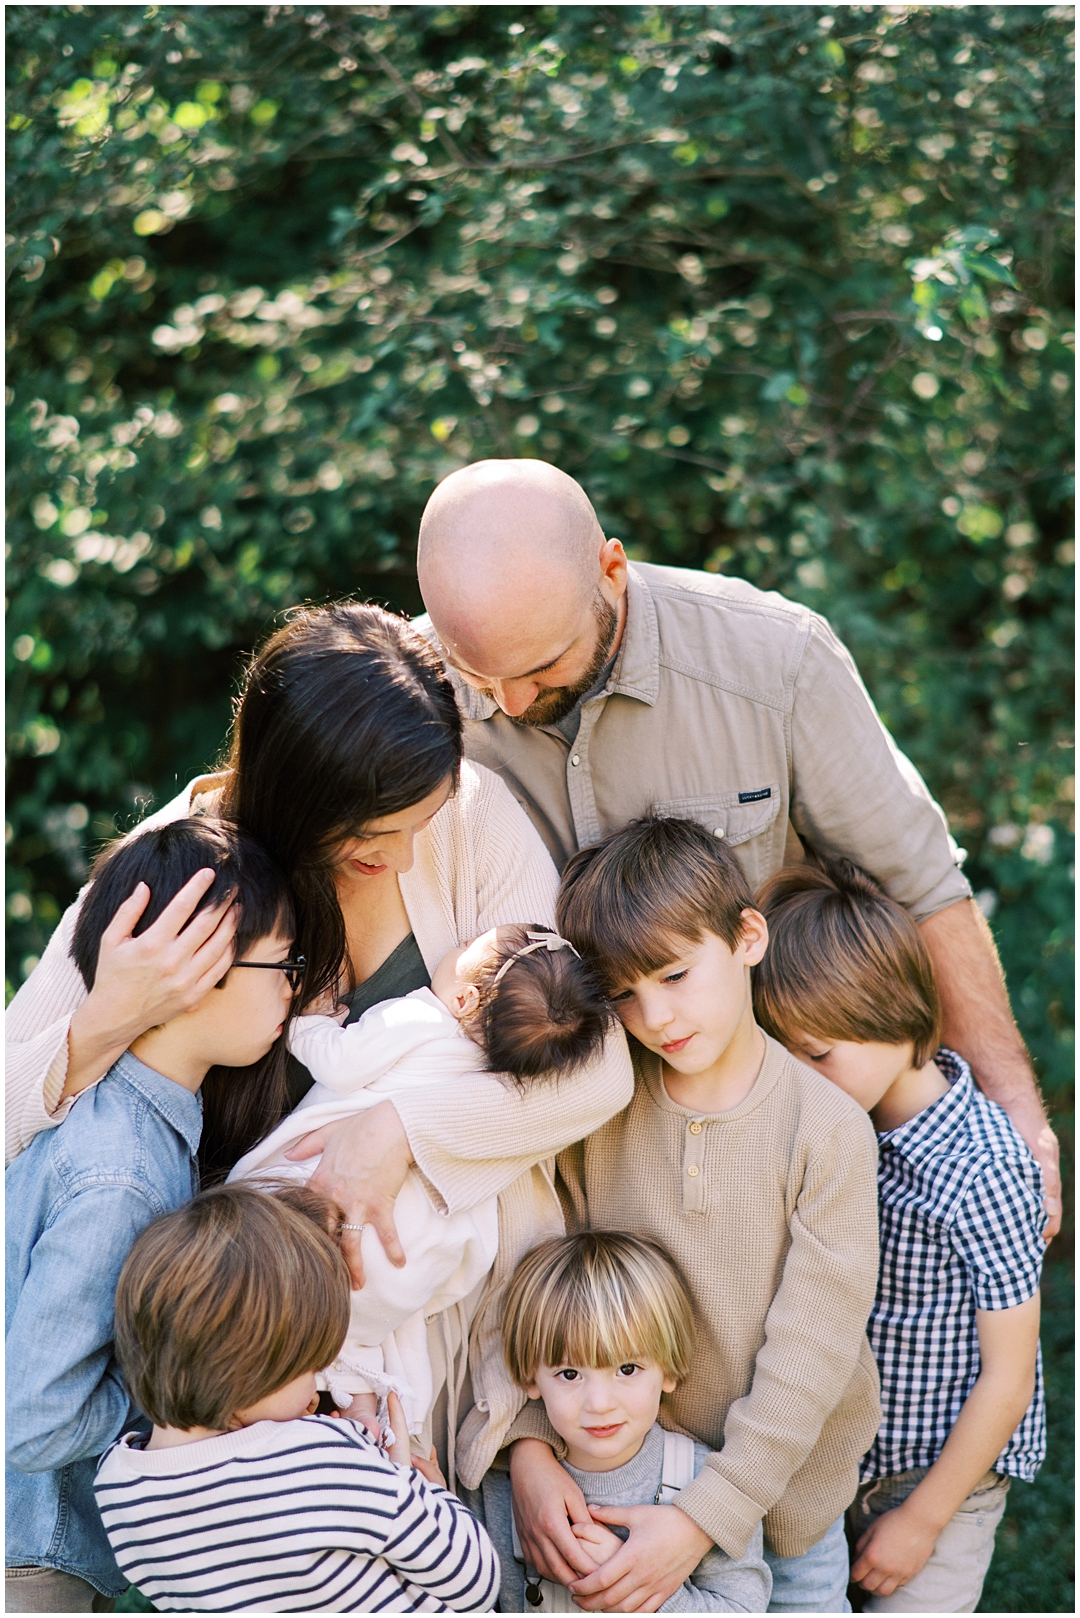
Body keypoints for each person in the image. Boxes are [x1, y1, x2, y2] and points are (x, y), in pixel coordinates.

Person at [5, 602, 635, 1487]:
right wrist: (112, 1015)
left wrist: (395, 1130)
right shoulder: (183, 869)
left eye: (424, 822)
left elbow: (596, 1067)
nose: (412, 859)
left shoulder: (465, 822)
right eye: (376, 837)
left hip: (460, 1350)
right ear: (300, 797)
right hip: (249, 1370)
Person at [413, 458, 1060, 1244]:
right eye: (480, 674)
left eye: (543, 665)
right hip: (533, 1168)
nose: (509, 703)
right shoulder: (407, 685)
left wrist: (1015, 1105)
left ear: (611, 571)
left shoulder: (775, 660)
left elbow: (920, 888)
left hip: (771, 1150)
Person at [505, 816, 882, 1614]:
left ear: (748, 936)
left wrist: (706, 1517)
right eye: (624, 995)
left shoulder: (829, 1129)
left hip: (787, 1503)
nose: (656, 1019)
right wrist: (528, 1445)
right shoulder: (600, 1106)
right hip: (626, 1471)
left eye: (674, 975)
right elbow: (537, 1287)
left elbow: (812, 1351)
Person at [6, 820, 297, 1614]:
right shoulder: (122, 1174)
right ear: (198, 968)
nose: (293, 988)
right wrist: (184, 1406)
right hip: (40, 1567)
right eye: (283, 964)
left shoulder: (135, 1125)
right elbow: (33, 1419)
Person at [753, 854, 1045, 1614]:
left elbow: (1009, 1378)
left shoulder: (981, 1166)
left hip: (941, 1478)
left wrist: (922, 1519)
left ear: (897, 1016)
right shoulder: (837, 1131)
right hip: (842, 1463)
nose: (800, 1077)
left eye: (817, 1054)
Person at [229, 924, 610, 1443]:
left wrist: (310, 1022)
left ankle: (341, 1385)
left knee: (259, 1218)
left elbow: (342, 1064)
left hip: (327, 1231)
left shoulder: (422, 1018)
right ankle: (378, 1416)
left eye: (466, 945)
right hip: (411, 1258)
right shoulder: (493, 1077)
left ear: (464, 997)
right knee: (371, 1328)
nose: (455, 939)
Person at [95, 1183, 500, 1614]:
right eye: (311, 1367)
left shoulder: (117, 1488)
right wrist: (415, 1485)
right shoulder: (319, 1455)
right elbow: (475, 1580)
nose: (316, 1389)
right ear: (246, 1377)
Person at [479, 1230, 772, 1613]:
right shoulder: (501, 1485)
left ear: (668, 1370)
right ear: (530, 1378)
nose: (599, 1404)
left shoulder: (704, 1481)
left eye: (627, 1368)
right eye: (570, 1374)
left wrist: (635, 1587)